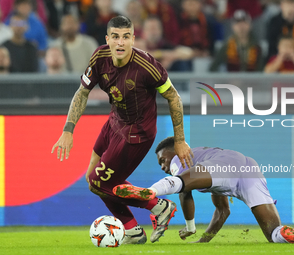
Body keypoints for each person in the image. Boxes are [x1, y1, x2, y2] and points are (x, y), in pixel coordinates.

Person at [51, 16, 193, 245]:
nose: (120, 43)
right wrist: (68, 129)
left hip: (138, 132)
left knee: (99, 183)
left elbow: (174, 97)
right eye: (115, 37)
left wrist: (180, 140)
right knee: (93, 179)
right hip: (114, 122)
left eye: (126, 37)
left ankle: (158, 206)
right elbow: (82, 92)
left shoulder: (147, 66)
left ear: (133, 39)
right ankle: (134, 230)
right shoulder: (99, 56)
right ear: (107, 39)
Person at [113, 136, 294, 244]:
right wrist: (206, 239)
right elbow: (223, 211)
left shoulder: (181, 156)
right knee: (273, 233)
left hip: (224, 165)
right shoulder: (205, 158)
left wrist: (191, 226)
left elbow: (185, 192)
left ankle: (151, 192)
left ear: (174, 151)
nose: (162, 165)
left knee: (179, 182)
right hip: (249, 168)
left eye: (162, 160)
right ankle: (284, 232)